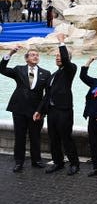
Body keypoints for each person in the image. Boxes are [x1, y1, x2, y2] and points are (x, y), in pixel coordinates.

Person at [34, 32, 80, 175]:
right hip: (52, 111)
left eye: (60, 56)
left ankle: (74, 164)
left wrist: (61, 42)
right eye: (56, 57)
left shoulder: (70, 69)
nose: (58, 58)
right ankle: (58, 162)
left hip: (64, 111)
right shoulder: (53, 75)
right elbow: (47, 95)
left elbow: (66, 59)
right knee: (53, 139)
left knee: (66, 138)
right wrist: (39, 111)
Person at [0, 45, 50, 172]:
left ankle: (36, 160)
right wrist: (10, 53)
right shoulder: (18, 69)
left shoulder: (46, 73)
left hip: (36, 111)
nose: (35, 56)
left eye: (37, 55)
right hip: (19, 109)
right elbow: (2, 69)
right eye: (32, 55)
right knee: (19, 136)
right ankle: (19, 162)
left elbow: (47, 95)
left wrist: (41, 111)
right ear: (26, 58)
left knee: (35, 137)